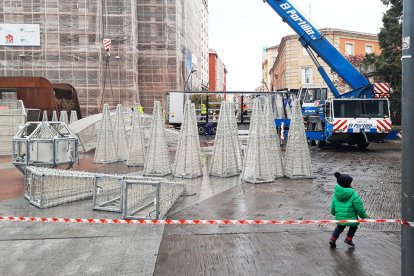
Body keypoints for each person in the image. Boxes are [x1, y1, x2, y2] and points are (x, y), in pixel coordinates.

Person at [329, 172, 368, 248]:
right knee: (353, 227)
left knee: (340, 227)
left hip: (340, 216)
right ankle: (348, 239)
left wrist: (334, 213)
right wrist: (363, 215)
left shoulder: (336, 194)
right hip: (351, 217)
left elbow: (333, 205)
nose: (352, 184)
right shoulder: (353, 194)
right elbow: (358, 206)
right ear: (347, 184)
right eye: (350, 183)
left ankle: (332, 239)